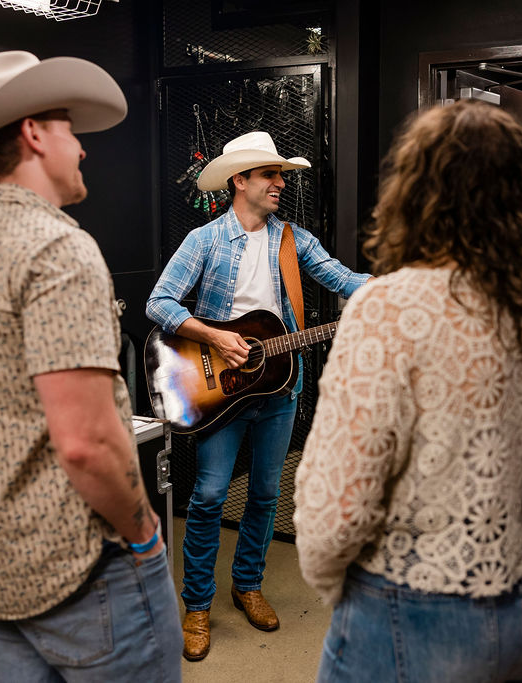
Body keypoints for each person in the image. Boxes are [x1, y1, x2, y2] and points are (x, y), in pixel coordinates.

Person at [292, 100, 522, 683]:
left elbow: (336, 507)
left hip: (413, 616)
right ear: (521, 201)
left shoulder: (388, 308)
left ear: (411, 193)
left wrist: (338, 586)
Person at [0, 51, 182, 682]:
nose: (81, 148)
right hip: (87, 572)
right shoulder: (58, 249)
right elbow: (86, 444)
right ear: (32, 133)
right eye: (70, 129)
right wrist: (144, 534)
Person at [146, 131, 371, 661]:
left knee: (267, 496)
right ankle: (197, 605)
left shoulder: (295, 240)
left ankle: (247, 585)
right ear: (238, 181)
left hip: (279, 387)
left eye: (282, 176)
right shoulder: (203, 241)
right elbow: (159, 302)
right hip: (217, 388)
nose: (279, 184)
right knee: (207, 496)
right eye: (270, 175)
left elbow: (341, 279)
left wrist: (398, 288)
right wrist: (216, 336)